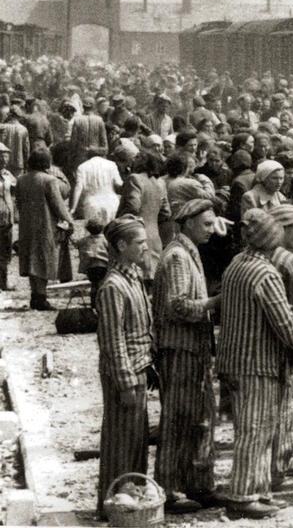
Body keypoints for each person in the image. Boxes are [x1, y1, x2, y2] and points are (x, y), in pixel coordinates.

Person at [218, 209, 293, 519]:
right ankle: (243, 494)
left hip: (233, 359)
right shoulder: (265, 273)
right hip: (257, 364)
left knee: (252, 429)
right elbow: (284, 322)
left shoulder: (236, 264)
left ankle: (258, 490)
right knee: (255, 432)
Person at [153, 199, 221, 512]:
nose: (212, 229)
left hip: (193, 349)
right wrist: (215, 303)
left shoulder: (188, 251)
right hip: (179, 349)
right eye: (207, 224)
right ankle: (168, 490)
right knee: (177, 421)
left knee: (199, 419)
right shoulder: (178, 256)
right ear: (189, 222)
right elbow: (177, 306)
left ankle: (197, 483)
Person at [95, 215, 154, 519]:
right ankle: (112, 505)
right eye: (140, 242)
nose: (146, 247)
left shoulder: (133, 276)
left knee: (135, 441)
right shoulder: (113, 286)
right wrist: (127, 382)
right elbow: (113, 341)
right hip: (125, 375)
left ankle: (130, 499)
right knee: (120, 441)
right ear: (122, 245)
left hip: (139, 368)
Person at [266, 203, 293, 490]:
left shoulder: (259, 256)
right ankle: (278, 466)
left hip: (265, 341)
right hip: (288, 340)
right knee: (285, 405)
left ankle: (271, 465)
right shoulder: (291, 260)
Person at [15, 148, 73, 310]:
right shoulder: (49, 180)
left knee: (31, 259)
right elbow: (58, 205)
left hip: (26, 225)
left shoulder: (21, 180)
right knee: (43, 258)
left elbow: (18, 202)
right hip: (45, 224)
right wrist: (69, 221)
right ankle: (41, 298)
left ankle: (35, 295)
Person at [118, 152, 171, 284]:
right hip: (154, 237)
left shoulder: (134, 179)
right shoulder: (160, 183)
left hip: (135, 238)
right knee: (151, 282)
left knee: (131, 281)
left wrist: (118, 222)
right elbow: (166, 212)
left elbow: (133, 207)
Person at [0, 142, 14, 290]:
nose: (4, 160)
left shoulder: (8, 174)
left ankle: (3, 282)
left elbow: (17, 188)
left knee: (5, 251)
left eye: (6, 157)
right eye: (1, 157)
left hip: (6, 217)